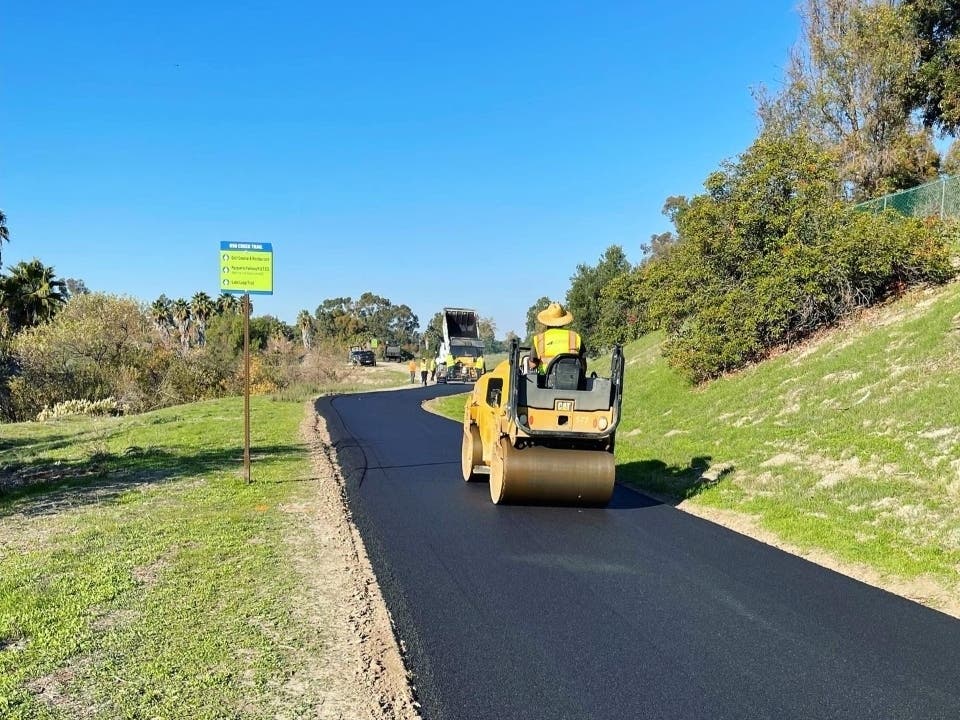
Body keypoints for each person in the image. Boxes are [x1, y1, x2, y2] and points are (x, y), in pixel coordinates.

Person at [528, 302, 584, 375]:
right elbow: (583, 364)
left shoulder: (540, 339)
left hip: (545, 382)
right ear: (563, 321)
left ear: (546, 322)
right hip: (573, 382)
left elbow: (533, 365)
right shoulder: (575, 337)